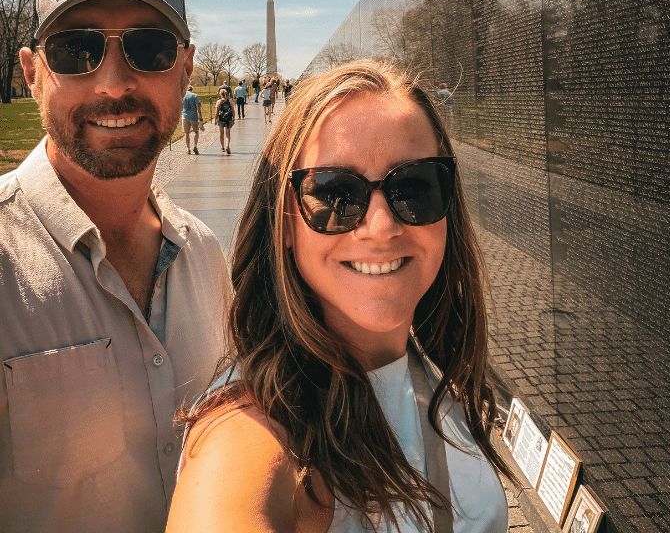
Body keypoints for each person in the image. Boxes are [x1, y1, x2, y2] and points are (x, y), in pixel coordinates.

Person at [167, 60, 512, 533]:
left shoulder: (433, 370)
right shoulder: (251, 428)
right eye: (335, 194)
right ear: (284, 222)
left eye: (413, 186)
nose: (382, 226)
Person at [1, 0, 228, 533]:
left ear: (185, 69)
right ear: (32, 74)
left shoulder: (205, 256)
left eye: (148, 48)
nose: (112, 84)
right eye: (76, 50)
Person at [182, 83, 204, 154]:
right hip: (193, 116)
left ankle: (188, 149)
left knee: (186, 133)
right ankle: (195, 146)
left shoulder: (182, 96)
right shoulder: (195, 96)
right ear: (192, 89)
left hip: (185, 116)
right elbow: (198, 107)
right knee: (196, 132)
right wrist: (200, 116)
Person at [214, 87, 234, 153]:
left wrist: (215, 118)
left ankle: (222, 147)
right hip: (228, 118)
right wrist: (233, 118)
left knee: (221, 133)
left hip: (221, 118)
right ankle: (227, 146)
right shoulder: (230, 101)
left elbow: (216, 112)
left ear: (220, 94)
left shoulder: (219, 102)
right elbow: (233, 110)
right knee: (228, 133)